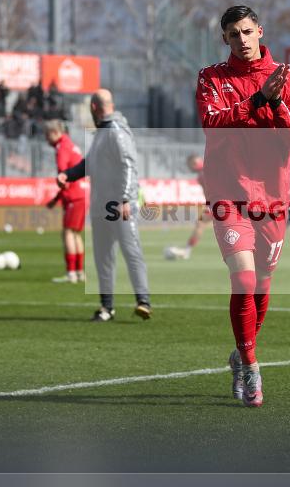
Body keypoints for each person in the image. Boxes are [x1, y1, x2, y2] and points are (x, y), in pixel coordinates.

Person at [196, 5, 290, 407]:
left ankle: (241, 351)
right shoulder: (212, 78)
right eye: (233, 34)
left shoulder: (289, 80)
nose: (241, 40)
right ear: (224, 39)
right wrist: (257, 101)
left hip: (273, 198)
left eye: (247, 31)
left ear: (260, 31)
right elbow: (213, 122)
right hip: (228, 194)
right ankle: (250, 365)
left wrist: (275, 104)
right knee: (243, 280)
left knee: (262, 284)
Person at [57, 89, 152, 322]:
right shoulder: (103, 133)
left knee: (131, 252)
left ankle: (143, 301)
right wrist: (68, 175)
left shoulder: (116, 131)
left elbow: (128, 164)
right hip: (101, 206)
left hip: (119, 206)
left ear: (93, 107)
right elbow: (89, 164)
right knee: (103, 258)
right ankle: (106, 308)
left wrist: (126, 199)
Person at [44, 120, 88, 284]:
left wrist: (56, 199)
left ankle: (71, 273)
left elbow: (64, 176)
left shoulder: (62, 148)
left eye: (47, 135)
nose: (46, 139)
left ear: (55, 132)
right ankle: (79, 272)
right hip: (83, 193)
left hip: (74, 195)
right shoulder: (72, 145)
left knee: (68, 233)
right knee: (75, 234)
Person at [164, 154, 211, 260]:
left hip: (217, 203)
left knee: (201, 223)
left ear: (193, 163)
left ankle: (187, 251)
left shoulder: (203, 172)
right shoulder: (204, 171)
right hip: (215, 203)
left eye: (189, 165)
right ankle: (187, 250)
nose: (189, 168)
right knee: (202, 224)